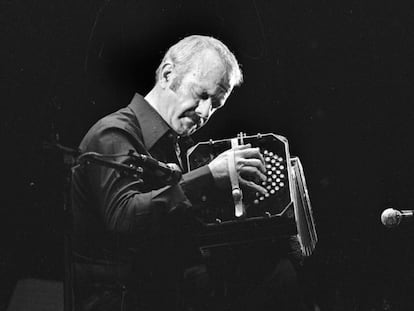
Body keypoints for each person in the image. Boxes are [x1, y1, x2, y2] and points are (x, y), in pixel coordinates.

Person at [71, 35, 308, 311]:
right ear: (168, 74)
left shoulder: (174, 147)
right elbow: (123, 217)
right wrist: (209, 177)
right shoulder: (114, 133)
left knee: (280, 272)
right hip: (120, 299)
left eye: (215, 106)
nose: (205, 112)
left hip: (160, 291)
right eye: (202, 95)